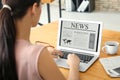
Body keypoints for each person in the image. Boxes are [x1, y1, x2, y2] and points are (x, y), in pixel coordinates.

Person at [0, 0, 80, 80]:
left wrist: (41, 56)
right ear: (34, 9)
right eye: (41, 4)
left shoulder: (3, 44)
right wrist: (74, 65)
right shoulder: (38, 54)